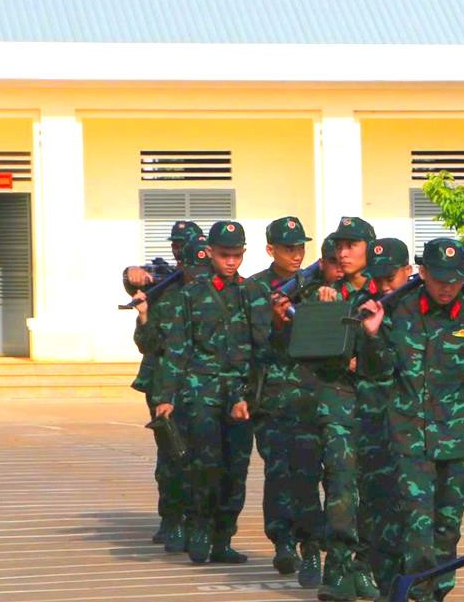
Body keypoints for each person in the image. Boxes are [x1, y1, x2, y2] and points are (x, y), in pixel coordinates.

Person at [359, 237, 464, 602]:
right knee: (417, 524)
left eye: (455, 280)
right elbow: (375, 372)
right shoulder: (398, 311)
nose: (447, 287)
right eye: (439, 279)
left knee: (447, 527)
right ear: (422, 273)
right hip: (409, 435)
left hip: (457, 436)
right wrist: (371, 335)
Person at [279, 215, 378, 602]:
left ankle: (364, 565)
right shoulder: (319, 292)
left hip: (380, 402)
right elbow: (302, 348)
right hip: (338, 399)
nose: (343, 251)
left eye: (352, 244)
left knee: (375, 488)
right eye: (339, 244)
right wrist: (322, 313)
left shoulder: (387, 292)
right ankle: (337, 564)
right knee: (340, 483)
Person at [151, 220, 260, 565]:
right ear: (210, 252)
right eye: (224, 254)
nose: (231, 261)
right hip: (201, 389)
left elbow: (262, 348)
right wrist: (165, 396)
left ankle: (223, 536)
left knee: (236, 466)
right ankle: (199, 527)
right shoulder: (191, 295)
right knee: (204, 464)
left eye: (237, 255)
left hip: (240, 392)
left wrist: (254, 394)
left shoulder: (252, 293)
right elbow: (177, 348)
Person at [243, 216, 320, 575]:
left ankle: (311, 543)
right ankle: (283, 540)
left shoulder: (314, 283)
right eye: (288, 248)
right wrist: (275, 324)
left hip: (310, 394)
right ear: (271, 249)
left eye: (300, 247)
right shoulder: (255, 288)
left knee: (307, 471)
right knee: (279, 471)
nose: (296, 254)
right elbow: (250, 343)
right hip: (273, 396)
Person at [127, 219, 202, 552]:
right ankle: (172, 520)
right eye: (176, 246)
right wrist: (142, 311)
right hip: (162, 380)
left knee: (202, 456)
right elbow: (146, 340)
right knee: (172, 454)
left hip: (201, 383)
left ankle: (198, 521)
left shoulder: (212, 288)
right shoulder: (163, 284)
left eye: (184, 247)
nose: (179, 252)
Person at [358, 238, 414, 602]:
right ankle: (389, 589)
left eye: (389, 277)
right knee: (379, 510)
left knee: (418, 513)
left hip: (420, 427)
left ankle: (417, 592)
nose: (382, 286)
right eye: (375, 279)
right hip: (375, 423)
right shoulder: (362, 308)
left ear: (408, 272)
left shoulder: (425, 311)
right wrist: (371, 332)